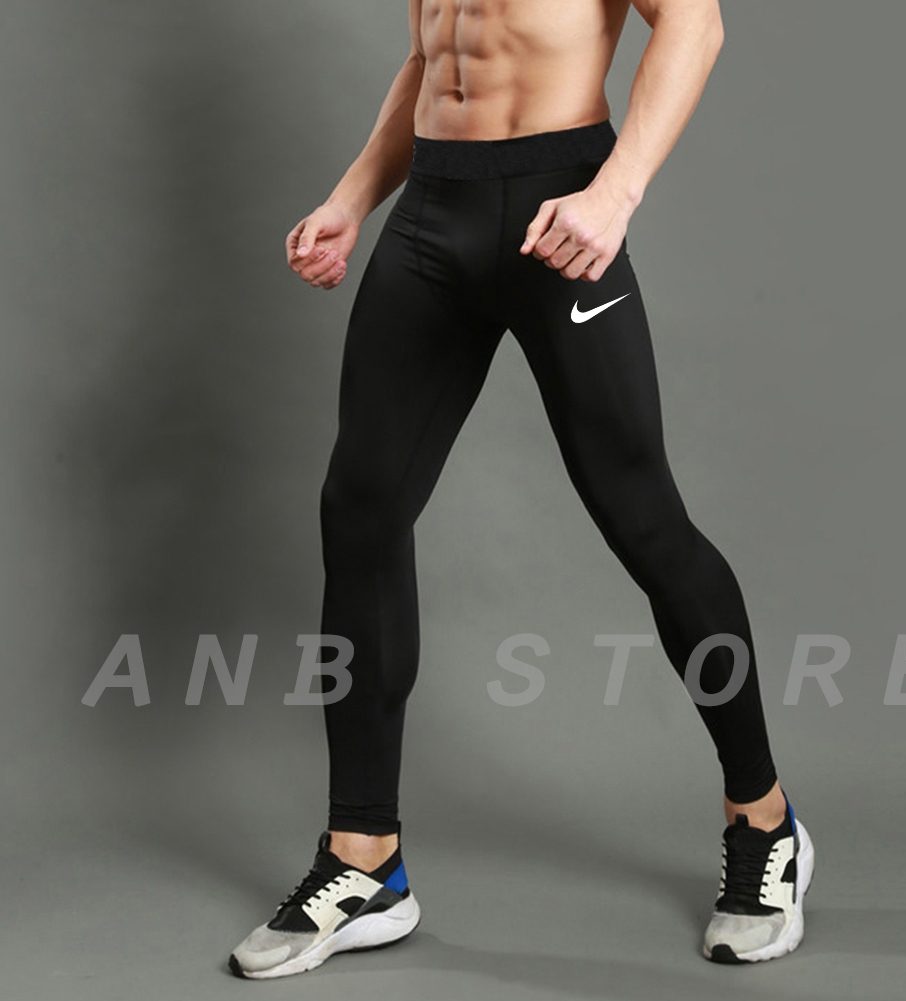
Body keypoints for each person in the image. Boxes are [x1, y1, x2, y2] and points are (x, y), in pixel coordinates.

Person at [229, 0, 815, 978]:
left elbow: (693, 23)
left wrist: (614, 194)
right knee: (359, 510)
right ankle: (364, 857)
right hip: (432, 217)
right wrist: (350, 197)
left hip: (561, 205)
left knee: (642, 518)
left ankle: (764, 820)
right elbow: (432, 55)